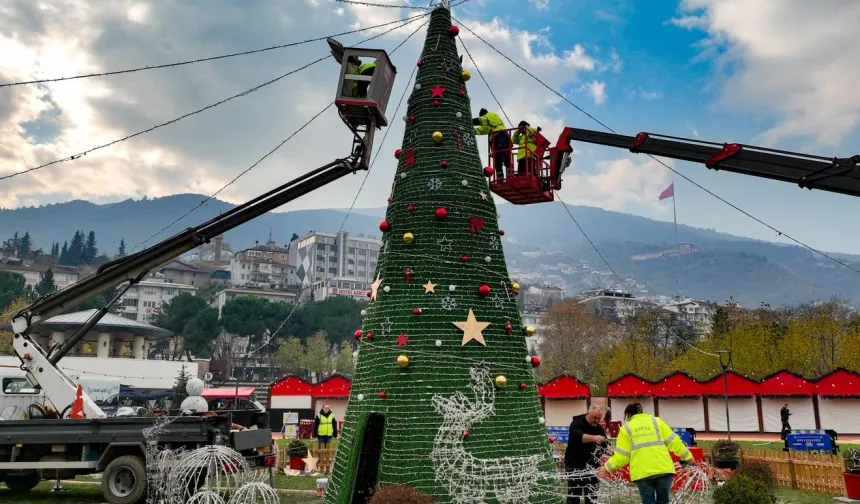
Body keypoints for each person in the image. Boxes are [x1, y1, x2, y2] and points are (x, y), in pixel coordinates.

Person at [597, 403, 693, 504]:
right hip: (663, 469)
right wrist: (688, 457)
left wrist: (607, 467)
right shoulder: (656, 421)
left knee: (648, 502)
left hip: (642, 473)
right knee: (664, 501)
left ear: (628, 414)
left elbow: (622, 456)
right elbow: (674, 442)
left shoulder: (626, 429)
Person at [564, 405, 609, 504]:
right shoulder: (576, 423)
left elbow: (605, 446)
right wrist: (594, 438)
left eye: (599, 418)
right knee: (574, 496)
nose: (597, 421)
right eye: (594, 418)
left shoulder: (599, 428)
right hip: (574, 465)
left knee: (592, 496)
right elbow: (580, 437)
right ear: (587, 413)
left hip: (593, 466)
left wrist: (609, 453)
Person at [472, 108, 511, 177]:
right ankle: (500, 178)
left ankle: (510, 175)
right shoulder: (490, 124)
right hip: (499, 138)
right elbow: (482, 129)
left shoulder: (491, 115)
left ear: (483, 115)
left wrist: (469, 121)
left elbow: (481, 120)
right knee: (498, 159)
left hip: (500, 135)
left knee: (504, 155)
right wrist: (471, 130)